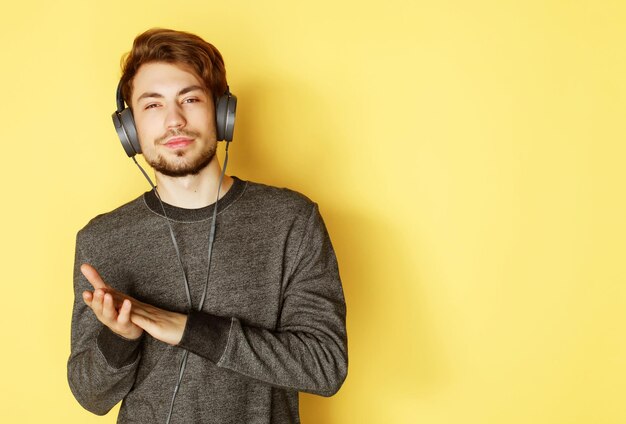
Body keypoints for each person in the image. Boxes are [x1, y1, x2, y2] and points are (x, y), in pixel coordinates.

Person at [67, 28, 347, 424]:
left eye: (190, 99)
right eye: (152, 106)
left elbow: (325, 365)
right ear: (129, 129)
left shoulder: (291, 220)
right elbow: (89, 395)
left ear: (221, 112)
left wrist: (188, 329)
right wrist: (120, 337)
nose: (174, 120)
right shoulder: (103, 240)